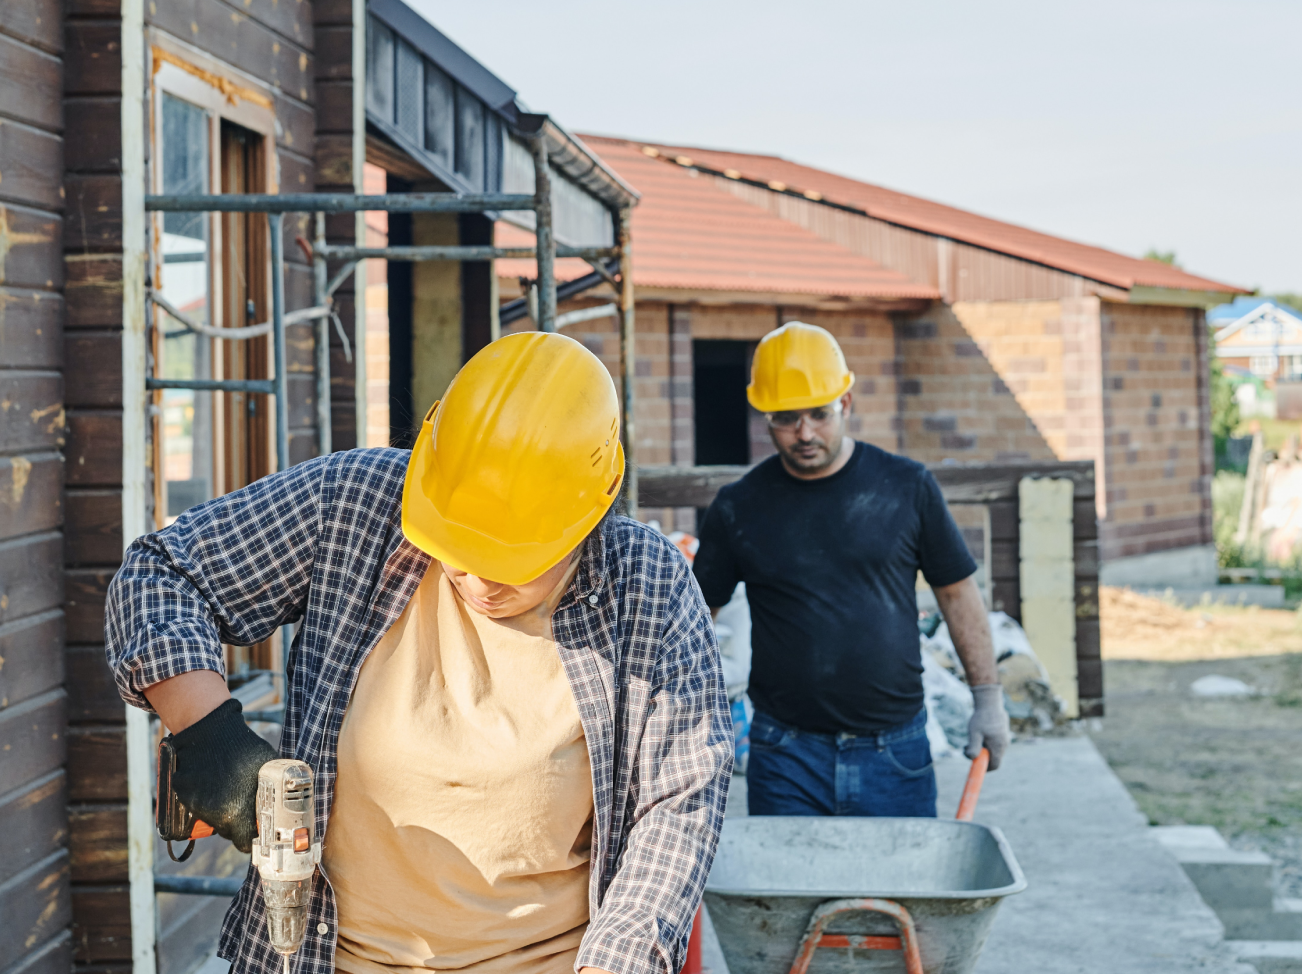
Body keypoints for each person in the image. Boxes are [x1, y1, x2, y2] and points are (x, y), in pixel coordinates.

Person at [106, 331, 732, 974]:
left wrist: (618, 961)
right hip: (324, 957)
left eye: (513, 561)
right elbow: (162, 574)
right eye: (458, 553)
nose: (480, 583)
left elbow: (680, 798)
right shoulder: (354, 504)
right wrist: (208, 732)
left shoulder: (645, 582)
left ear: (589, 514)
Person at [691, 322, 1009, 819]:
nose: (804, 433)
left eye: (819, 414)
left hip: (894, 751)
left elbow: (956, 592)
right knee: (789, 898)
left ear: (847, 403)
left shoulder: (906, 487)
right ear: (765, 417)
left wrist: (987, 697)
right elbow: (695, 616)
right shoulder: (739, 507)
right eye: (785, 418)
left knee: (892, 896)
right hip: (785, 754)